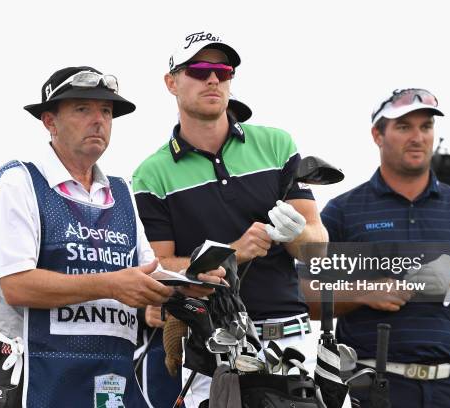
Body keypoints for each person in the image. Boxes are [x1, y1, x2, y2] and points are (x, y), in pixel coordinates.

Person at [0, 66, 223, 408]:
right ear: (49, 121)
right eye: (82, 109)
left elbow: (146, 275)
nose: (99, 120)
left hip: (111, 385)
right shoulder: (20, 182)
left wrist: (189, 281)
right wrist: (110, 285)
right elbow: (16, 286)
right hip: (31, 386)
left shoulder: (122, 192)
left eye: (106, 111)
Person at [132, 31, 327, 407]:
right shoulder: (150, 173)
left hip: (290, 341)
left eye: (223, 71)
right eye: (200, 69)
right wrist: (231, 253)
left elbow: (316, 248)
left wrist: (298, 233)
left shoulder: (277, 144)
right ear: (171, 82)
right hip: (210, 345)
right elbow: (159, 266)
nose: (213, 79)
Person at [316, 89, 450, 408]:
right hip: (371, 385)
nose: (418, 137)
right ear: (377, 135)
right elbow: (304, 296)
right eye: (404, 127)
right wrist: (363, 292)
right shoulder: (343, 210)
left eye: (426, 127)